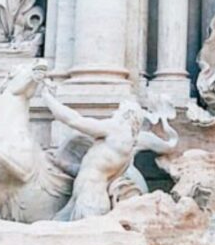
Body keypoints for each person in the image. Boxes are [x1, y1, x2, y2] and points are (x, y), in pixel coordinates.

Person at [42, 89, 177, 220]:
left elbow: (75, 120)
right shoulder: (132, 141)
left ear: (127, 115)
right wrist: (62, 164)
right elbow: (91, 168)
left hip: (91, 200)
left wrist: (48, 99)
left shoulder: (116, 129)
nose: (114, 113)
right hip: (84, 198)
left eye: (118, 111)